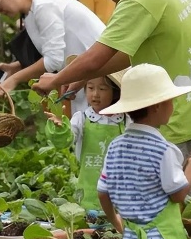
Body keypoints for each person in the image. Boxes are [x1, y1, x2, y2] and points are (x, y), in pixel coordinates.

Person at [32, 0, 191, 195]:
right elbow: (126, 53)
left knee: (190, 215)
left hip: (183, 118)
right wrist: (79, 80)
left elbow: (98, 54)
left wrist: (56, 79)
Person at [97, 64, 191, 239]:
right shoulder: (164, 150)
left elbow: (103, 192)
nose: (172, 105)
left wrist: (118, 223)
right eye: (170, 100)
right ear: (157, 106)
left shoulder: (115, 146)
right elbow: (178, 194)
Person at [0, 0, 104, 114]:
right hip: (83, 78)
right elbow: (52, 51)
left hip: (102, 78)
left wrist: (15, 79)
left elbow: (53, 60)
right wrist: (16, 67)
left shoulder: (44, 6)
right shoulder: (31, 10)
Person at [45, 58, 128, 211]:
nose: (95, 94)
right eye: (90, 88)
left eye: (102, 89)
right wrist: (60, 128)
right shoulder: (81, 118)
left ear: (116, 92)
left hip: (119, 190)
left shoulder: (125, 120)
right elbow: (67, 139)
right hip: (89, 187)